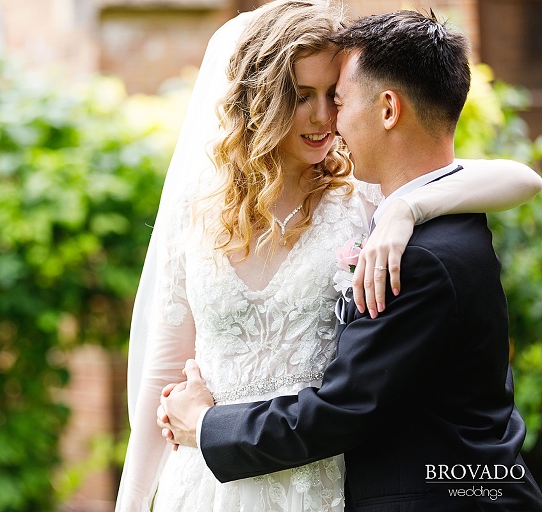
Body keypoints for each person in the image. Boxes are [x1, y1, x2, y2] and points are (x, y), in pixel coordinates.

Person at [156, 7, 542, 511]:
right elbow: (160, 379)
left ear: (386, 109)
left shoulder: (385, 221)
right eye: (303, 97)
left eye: (337, 99)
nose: (328, 119)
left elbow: (343, 407)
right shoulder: (402, 211)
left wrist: (206, 426)